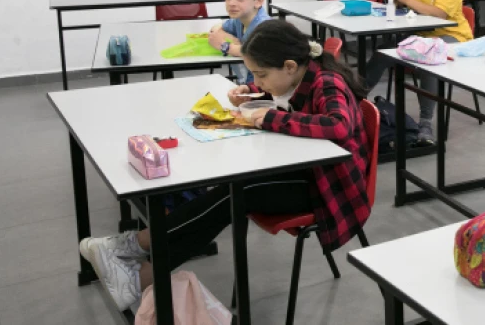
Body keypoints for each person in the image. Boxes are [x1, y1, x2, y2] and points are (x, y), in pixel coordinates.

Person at [79, 20, 371, 310]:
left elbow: (338, 126)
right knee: (232, 191)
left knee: (237, 193)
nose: (260, 81)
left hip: (330, 187)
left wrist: (271, 118)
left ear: (291, 66)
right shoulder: (299, 76)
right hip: (308, 170)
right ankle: (137, 261)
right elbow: (285, 94)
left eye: (261, 74)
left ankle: (136, 252)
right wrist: (254, 92)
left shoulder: (327, 83)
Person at [363, 0, 473, 142]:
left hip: (452, 37)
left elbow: (440, 14)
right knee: (383, 51)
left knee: (427, 57)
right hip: (420, 35)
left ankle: (425, 123)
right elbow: (403, 2)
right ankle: (354, 98)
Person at [207, 0, 270, 85]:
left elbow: (255, 53)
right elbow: (217, 28)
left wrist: (224, 46)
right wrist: (228, 37)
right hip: (248, 83)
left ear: (258, 1)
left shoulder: (264, 27)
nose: (231, 3)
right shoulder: (239, 19)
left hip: (263, 86)